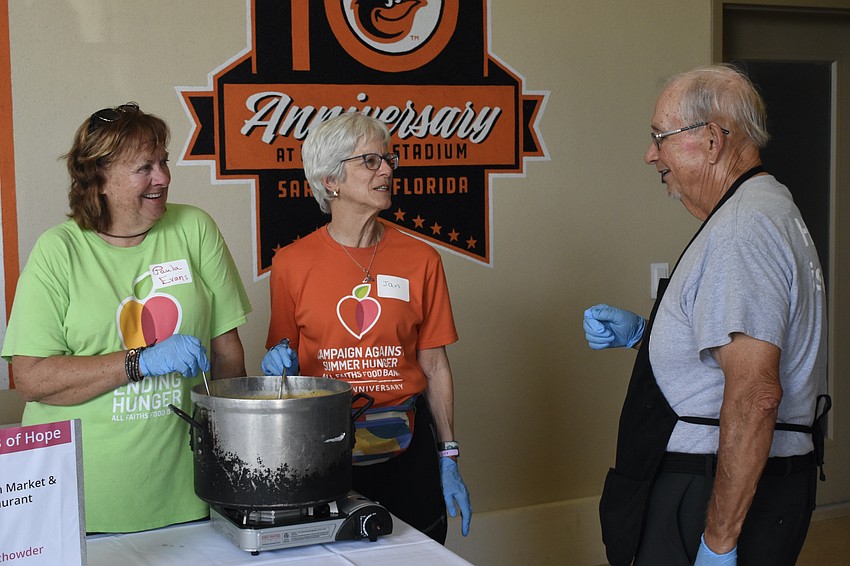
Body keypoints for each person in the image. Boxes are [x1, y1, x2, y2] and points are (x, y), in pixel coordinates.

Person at [583, 65, 828, 566]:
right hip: (709, 481)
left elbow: (756, 393)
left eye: (660, 138)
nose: (651, 155)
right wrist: (646, 338)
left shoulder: (743, 228)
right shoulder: (765, 206)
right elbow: (733, 352)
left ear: (712, 140)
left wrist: (718, 543)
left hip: (706, 489)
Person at [1, 103, 252, 533]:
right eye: (144, 168)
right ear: (99, 178)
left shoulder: (195, 228)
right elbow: (30, 377)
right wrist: (139, 362)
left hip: (188, 499)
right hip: (82, 506)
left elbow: (226, 352)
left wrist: (237, 451)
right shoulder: (58, 251)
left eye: (163, 162)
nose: (163, 177)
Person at [262, 112, 471, 543]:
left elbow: (434, 366)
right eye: (370, 161)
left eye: (389, 159)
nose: (388, 170)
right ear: (330, 180)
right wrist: (275, 367)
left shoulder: (421, 259)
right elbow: (283, 367)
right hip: (323, 451)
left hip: (407, 451)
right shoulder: (291, 264)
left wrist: (448, 454)